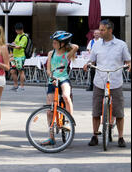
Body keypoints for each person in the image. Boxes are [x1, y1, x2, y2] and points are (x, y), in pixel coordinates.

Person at [84, 19, 131, 148]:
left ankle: (121, 137)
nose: (100, 32)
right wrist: (88, 64)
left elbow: (128, 60)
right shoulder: (96, 44)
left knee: (119, 112)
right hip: (99, 80)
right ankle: (94, 135)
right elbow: (92, 60)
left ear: (110, 30)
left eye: (103, 29)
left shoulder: (121, 45)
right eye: (100, 29)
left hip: (115, 81)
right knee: (96, 110)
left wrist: (129, 65)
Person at [41, 31, 79, 146]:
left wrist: (66, 43)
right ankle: (51, 137)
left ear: (62, 44)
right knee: (49, 111)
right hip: (52, 80)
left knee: (66, 97)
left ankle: (69, 122)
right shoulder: (50, 53)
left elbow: (76, 47)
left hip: (63, 79)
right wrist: (51, 77)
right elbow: (48, 70)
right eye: (53, 42)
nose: (53, 44)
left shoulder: (67, 54)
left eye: (56, 42)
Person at [8, 23, 28, 91]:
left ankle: (22, 86)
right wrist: (11, 44)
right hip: (15, 56)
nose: (16, 31)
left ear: (21, 30)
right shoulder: (18, 35)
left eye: (17, 30)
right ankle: (15, 85)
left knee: (20, 71)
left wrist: (10, 45)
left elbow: (19, 47)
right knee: (12, 71)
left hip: (20, 56)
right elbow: (15, 43)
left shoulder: (24, 37)